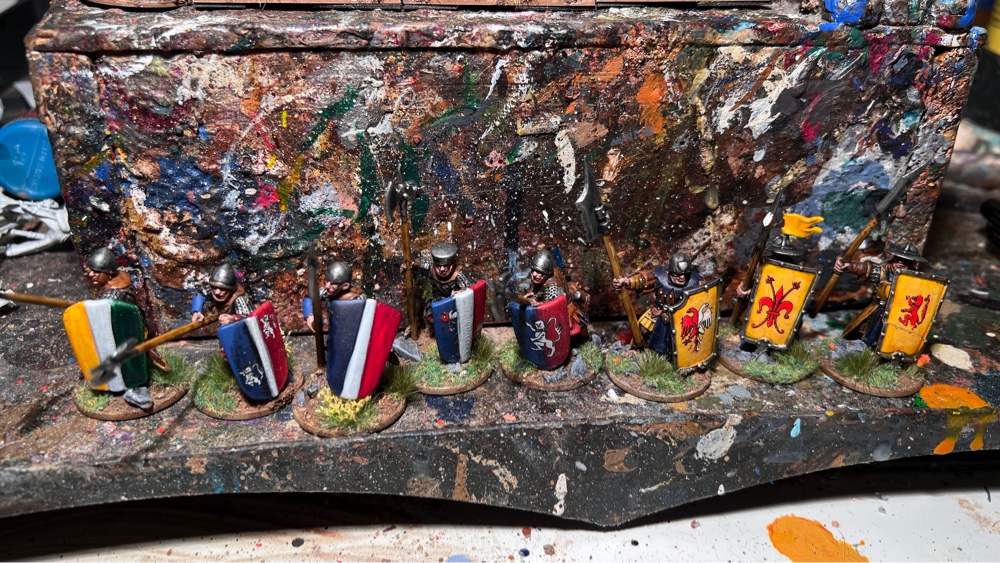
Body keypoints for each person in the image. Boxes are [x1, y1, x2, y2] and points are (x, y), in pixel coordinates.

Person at [83, 248, 166, 408]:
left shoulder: (113, 295)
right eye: (90, 271)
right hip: (129, 326)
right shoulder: (120, 278)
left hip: (126, 333)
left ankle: (137, 390)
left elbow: (107, 319)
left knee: (130, 363)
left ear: (109, 273)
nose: (91, 274)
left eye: (96, 271)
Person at [834, 242, 926, 346]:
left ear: (913, 263)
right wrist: (848, 266)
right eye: (898, 258)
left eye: (906, 261)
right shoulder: (884, 270)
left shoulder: (916, 279)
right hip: (880, 309)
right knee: (872, 334)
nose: (900, 262)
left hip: (902, 315)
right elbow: (865, 269)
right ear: (894, 258)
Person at [612, 253, 704, 356]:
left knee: (681, 341)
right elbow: (643, 280)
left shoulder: (696, 281)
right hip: (658, 312)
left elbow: (705, 299)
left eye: (685, 274)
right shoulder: (660, 276)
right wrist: (627, 281)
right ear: (670, 272)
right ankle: (642, 353)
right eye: (677, 274)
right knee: (643, 330)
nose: (682, 277)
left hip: (682, 318)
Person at [523, 249, 589, 333]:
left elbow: (552, 303)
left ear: (547, 274)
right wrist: (530, 298)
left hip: (565, 308)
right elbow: (533, 290)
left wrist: (538, 303)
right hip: (549, 305)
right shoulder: (537, 278)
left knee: (569, 330)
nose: (534, 274)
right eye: (533, 270)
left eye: (539, 272)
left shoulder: (553, 284)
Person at [408, 242, 475, 324]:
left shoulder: (459, 275)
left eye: (446, 266)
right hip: (435, 302)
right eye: (438, 266)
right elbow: (416, 263)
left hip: (453, 307)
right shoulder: (430, 267)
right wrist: (407, 265)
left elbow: (473, 290)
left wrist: (462, 293)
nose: (442, 269)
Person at [302, 261, 365, 332]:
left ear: (345, 286)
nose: (327, 286)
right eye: (326, 281)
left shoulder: (359, 299)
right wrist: (310, 315)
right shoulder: (325, 291)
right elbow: (309, 298)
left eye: (332, 284)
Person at [191, 262, 253, 326]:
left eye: (222, 289)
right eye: (215, 287)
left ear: (231, 289)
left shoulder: (239, 298)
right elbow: (200, 294)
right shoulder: (211, 288)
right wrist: (196, 311)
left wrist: (234, 318)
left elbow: (250, 319)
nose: (216, 292)